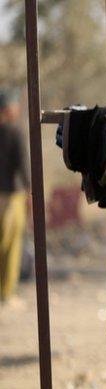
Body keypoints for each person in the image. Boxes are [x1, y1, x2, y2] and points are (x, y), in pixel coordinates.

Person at [0, 90, 29, 307]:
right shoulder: (15, 132)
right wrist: (31, 192)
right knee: (11, 245)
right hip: (11, 196)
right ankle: (6, 293)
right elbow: (23, 165)